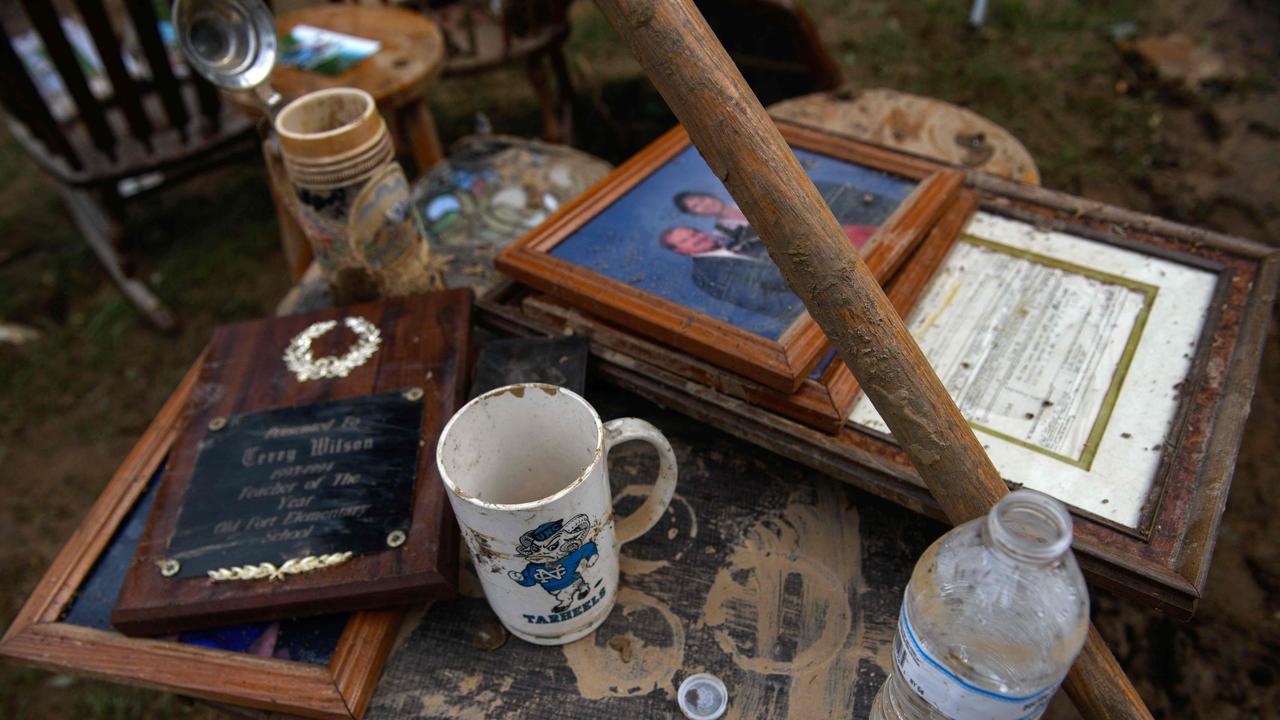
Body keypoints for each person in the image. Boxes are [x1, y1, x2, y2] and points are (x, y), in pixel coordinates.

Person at [658, 225, 801, 320]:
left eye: (694, 233)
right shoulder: (706, 274)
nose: (696, 238)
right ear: (678, 250)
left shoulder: (735, 241)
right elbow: (761, 300)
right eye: (685, 240)